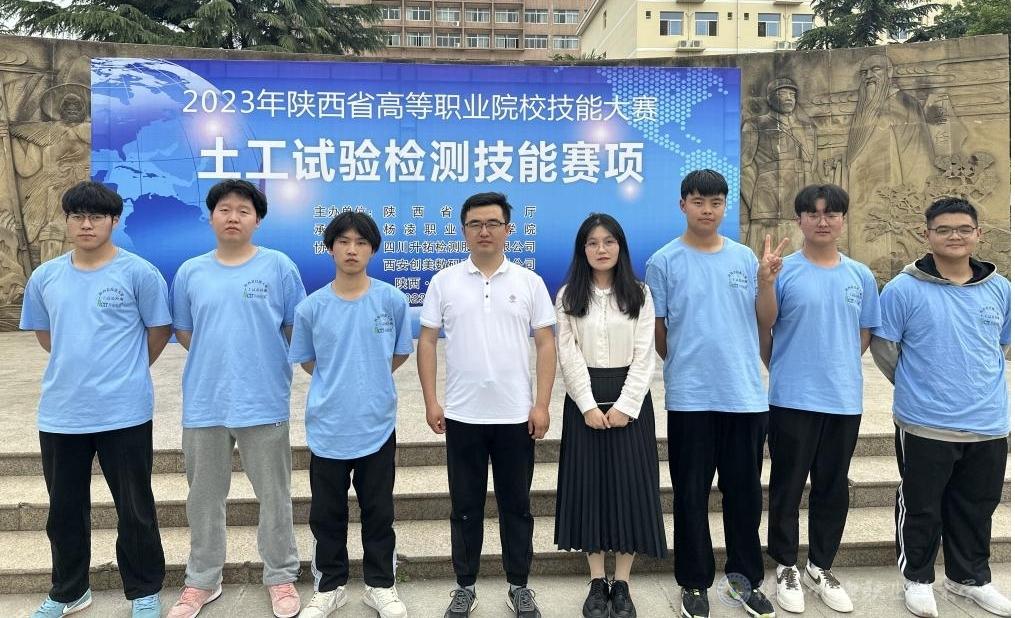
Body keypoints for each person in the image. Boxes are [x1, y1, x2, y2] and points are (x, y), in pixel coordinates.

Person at [20, 181, 170, 618]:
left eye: (97, 217)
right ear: (67, 221)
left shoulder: (139, 273)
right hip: (62, 412)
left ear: (114, 221)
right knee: (64, 510)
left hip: (125, 411)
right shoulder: (45, 277)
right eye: (77, 216)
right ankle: (69, 591)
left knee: (135, 508)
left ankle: (143, 590)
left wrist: (125, 370)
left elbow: (158, 331)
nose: (86, 225)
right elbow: (46, 335)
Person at [645, 169, 786, 618]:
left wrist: (767, 282)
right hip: (691, 399)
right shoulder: (663, 261)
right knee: (690, 495)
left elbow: (765, 320)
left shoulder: (745, 258)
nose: (707, 210)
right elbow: (659, 331)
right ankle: (694, 583)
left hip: (744, 396)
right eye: (698, 201)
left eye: (716, 202)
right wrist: (687, 364)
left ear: (725, 207)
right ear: (683, 205)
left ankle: (744, 581)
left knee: (744, 496)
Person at [168, 180, 306, 618]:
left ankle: (280, 575)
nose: (233, 217)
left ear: (257, 220)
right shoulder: (191, 272)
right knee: (204, 499)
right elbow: (185, 330)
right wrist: (219, 358)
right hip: (205, 401)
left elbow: (295, 328)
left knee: (274, 496)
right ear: (210, 216)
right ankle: (202, 581)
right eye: (224, 209)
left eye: (243, 210)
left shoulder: (278, 266)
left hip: (263, 400)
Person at [418, 192, 557, 618]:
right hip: (463, 416)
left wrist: (542, 405)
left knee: (517, 507)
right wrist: (431, 400)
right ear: (463, 230)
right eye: (475, 224)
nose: (484, 231)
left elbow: (546, 343)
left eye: (493, 223)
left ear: (508, 229)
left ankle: (519, 586)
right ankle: (465, 586)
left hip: (516, 416)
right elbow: (427, 341)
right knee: (465, 507)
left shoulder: (529, 282)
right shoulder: (444, 281)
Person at [871, 197, 1011, 618]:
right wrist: (921, 386)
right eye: (944, 229)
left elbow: (1001, 346)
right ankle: (917, 579)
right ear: (927, 234)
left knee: (977, 506)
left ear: (978, 234)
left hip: (988, 422)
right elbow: (885, 348)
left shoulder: (1000, 288)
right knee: (921, 506)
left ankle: (969, 579)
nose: (955, 236)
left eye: (964, 229)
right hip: (925, 422)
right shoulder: (903, 289)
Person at [761, 185, 881, 614]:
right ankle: (785, 565)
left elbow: (864, 333)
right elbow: (765, 327)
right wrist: (766, 283)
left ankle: (820, 565)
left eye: (831, 213)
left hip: (844, 400)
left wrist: (836, 364)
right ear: (799, 220)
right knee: (788, 485)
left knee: (832, 486)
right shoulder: (784, 271)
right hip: (792, 398)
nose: (822, 220)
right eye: (812, 213)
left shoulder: (860, 276)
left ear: (843, 219)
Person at [289, 212, 412, 618]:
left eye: (361, 242)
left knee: (379, 512)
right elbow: (308, 361)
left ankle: (381, 585)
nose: (352, 249)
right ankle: (330, 587)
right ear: (330, 248)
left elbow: (398, 353)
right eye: (343, 241)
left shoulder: (391, 301)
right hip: (329, 426)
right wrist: (340, 381)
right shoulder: (311, 307)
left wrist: (367, 378)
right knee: (327, 515)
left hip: (376, 423)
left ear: (372, 249)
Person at [554, 213, 667, 618]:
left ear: (620, 247)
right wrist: (586, 404)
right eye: (592, 243)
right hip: (583, 400)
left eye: (608, 242)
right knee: (590, 489)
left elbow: (645, 354)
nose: (601, 249)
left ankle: (622, 583)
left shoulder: (639, 293)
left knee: (629, 489)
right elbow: (567, 353)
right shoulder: (568, 295)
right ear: (582, 250)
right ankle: (595, 581)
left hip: (630, 402)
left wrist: (625, 406)